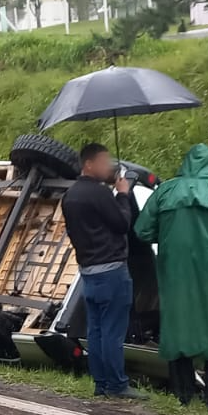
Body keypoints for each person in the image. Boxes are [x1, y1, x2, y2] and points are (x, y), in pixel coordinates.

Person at [132, 143, 208, 410]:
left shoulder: (166, 191)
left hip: (174, 274)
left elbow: (143, 231)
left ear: (185, 164)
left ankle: (183, 396)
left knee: (177, 328)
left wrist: (168, 236)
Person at [61, 142, 146, 400]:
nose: (108, 166)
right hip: (112, 272)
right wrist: (122, 194)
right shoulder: (99, 193)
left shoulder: (70, 195)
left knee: (95, 331)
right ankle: (118, 385)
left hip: (88, 271)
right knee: (112, 331)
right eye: (103, 161)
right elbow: (121, 224)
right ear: (89, 164)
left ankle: (101, 383)